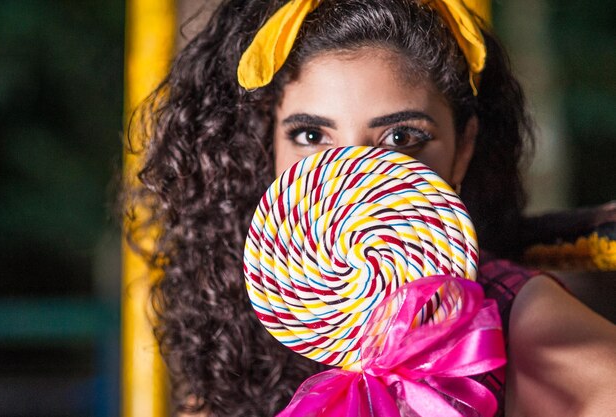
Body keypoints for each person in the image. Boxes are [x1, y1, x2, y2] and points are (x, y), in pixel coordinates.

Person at [127, 0, 616, 415]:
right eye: (312, 136)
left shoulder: (523, 327)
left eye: (401, 138)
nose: (352, 175)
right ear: (268, 146)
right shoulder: (245, 323)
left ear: (462, 149)